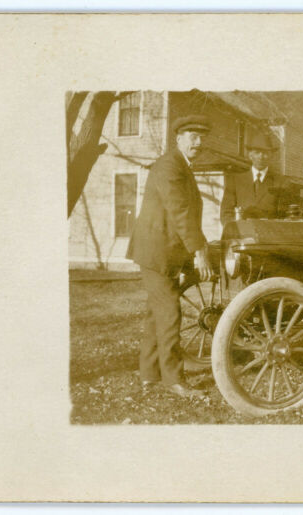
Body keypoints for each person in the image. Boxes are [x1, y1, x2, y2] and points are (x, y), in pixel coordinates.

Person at [126, 115, 214, 400]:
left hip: (162, 250)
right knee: (169, 313)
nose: (198, 143)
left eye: (202, 138)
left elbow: (184, 214)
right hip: (157, 251)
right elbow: (180, 211)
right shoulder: (169, 165)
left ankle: (149, 374)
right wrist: (198, 250)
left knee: (156, 314)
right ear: (178, 139)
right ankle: (175, 380)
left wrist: (198, 247)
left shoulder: (180, 165)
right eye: (193, 137)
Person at [220, 132, 296, 225]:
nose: (261, 157)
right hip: (242, 233)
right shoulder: (236, 180)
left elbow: (285, 218)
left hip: (269, 233)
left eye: (265, 153)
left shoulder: (281, 182)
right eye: (257, 152)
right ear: (250, 155)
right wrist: (235, 230)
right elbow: (226, 213)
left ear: (271, 156)